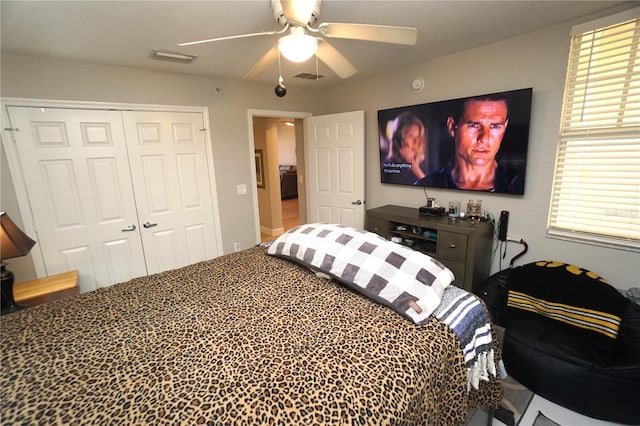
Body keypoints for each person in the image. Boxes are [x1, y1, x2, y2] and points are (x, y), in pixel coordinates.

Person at [415, 93, 524, 194]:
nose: (484, 138)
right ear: (452, 127)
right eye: (474, 125)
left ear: (505, 127)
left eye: (495, 126)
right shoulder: (426, 185)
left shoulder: (519, 185)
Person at [381, 112, 427, 184]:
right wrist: (407, 162)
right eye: (411, 136)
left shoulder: (421, 165)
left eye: (418, 137)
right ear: (398, 139)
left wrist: (414, 165)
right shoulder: (389, 166)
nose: (416, 142)